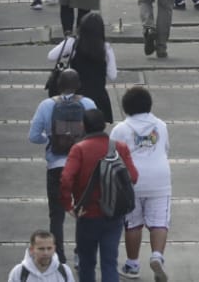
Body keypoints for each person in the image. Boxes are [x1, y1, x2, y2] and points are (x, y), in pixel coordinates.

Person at [61, 109, 139, 282]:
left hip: (87, 214)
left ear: (83, 126)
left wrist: (68, 205)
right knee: (110, 263)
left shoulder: (79, 149)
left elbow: (66, 179)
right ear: (104, 125)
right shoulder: (119, 147)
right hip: (114, 214)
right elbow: (133, 177)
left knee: (87, 263)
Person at [28, 68, 98, 253]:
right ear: (78, 85)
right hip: (82, 167)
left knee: (56, 216)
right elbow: (96, 133)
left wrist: (49, 139)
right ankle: (80, 254)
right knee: (83, 213)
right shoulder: (88, 103)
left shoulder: (46, 105)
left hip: (56, 167)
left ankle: (58, 257)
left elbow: (34, 136)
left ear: (58, 85)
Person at [111, 86, 172, 282]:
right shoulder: (161, 125)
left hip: (132, 181)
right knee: (159, 222)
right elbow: (166, 149)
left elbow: (112, 156)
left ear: (126, 106)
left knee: (132, 223)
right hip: (159, 179)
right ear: (149, 104)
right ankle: (157, 256)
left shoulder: (121, 129)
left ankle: (132, 264)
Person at [51, 10, 118, 119]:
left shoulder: (73, 43)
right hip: (98, 97)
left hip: (76, 96)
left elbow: (51, 56)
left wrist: (67, 48)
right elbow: (113, 75)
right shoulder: (106, 48)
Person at [7, 230, 74, 282]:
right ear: (31, 250)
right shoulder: (18, 272)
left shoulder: (65, 271)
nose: (46, 253)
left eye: (49, 248)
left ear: (54, 248)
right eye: (41, 249)